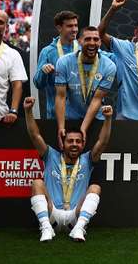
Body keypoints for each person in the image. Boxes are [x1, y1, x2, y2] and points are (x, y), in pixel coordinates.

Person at [24, 95, 113, 242]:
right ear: (62, 143)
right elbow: (35, 135)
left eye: (78, 141)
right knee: (37, 183)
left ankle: (79, 228)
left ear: (82, 145)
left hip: (75, 215)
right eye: (70, 141)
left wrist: (108, 119)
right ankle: (46, 228)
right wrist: (28, 111)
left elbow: (102, 142)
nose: (74, 144)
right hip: (51, 212)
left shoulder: (87, 159)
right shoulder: (50, 155)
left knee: (95, 187)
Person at [97, 0, 138, 120]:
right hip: (125, 115)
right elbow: (100, 33)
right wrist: (113, 9)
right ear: (136, 33)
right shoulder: (124, 48)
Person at [54, 26, 117, 146]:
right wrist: (61, 127)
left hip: (96, 119)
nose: (92, 43)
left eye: (96, 39)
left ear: (100, 42)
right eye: (87, 39)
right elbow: (60, 96)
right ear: (79, 41)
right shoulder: (63, 62)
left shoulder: (109, 66)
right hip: (70, 118)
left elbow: (97, 99)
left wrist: (83, 128)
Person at [34, 10, 79, 119]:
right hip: (57, 117)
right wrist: (43, 72)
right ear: (59, 28)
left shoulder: (82, 48)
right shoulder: (48, 52)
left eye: (76, 25)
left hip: (81, 116)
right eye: (69, 26)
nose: (74, 29)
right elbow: (38, 84)